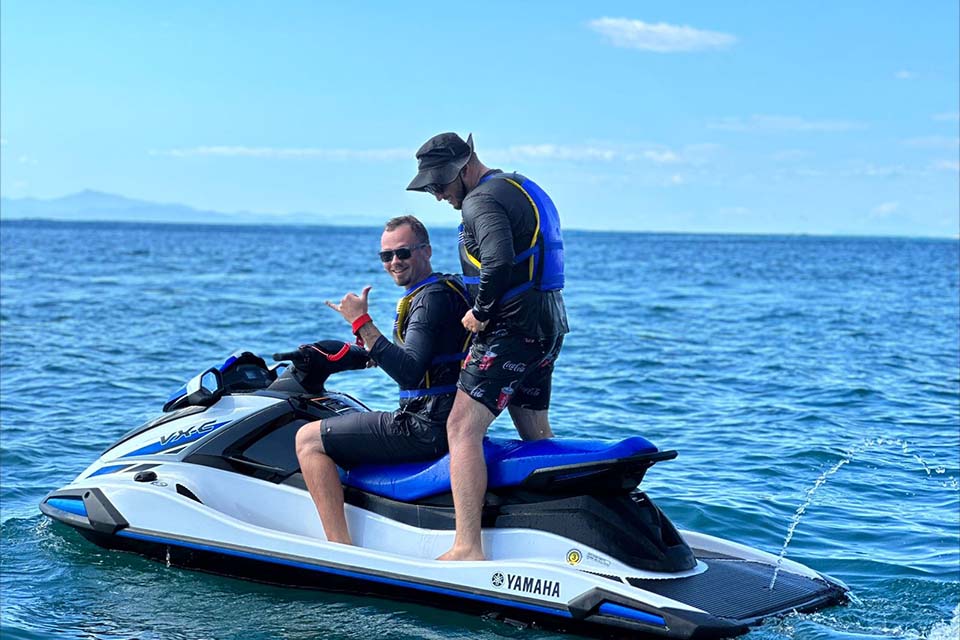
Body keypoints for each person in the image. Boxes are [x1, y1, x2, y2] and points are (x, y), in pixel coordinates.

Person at [407, 132, 569, 561]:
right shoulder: (517, 185)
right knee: (533, 430)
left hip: (511, 330)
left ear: (464, 168)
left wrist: (480, 311)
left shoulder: (481, 200)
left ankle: (467, 546)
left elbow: (497, 260)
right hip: (547, 324)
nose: (438, 195)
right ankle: (557, 523)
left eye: (439, 184)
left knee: (461, 428)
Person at [295, 215, 471, 545]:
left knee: (307, 439)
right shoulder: (445, 289)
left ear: (427, 251)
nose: (394, 262)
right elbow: (428, 356)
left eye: (403, 253)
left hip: (424, 426)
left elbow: (410, 371)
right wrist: (363, 354)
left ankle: (339, 547)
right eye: (386, 256)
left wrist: (361, 322)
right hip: (446, 418)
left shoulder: (428, 300)